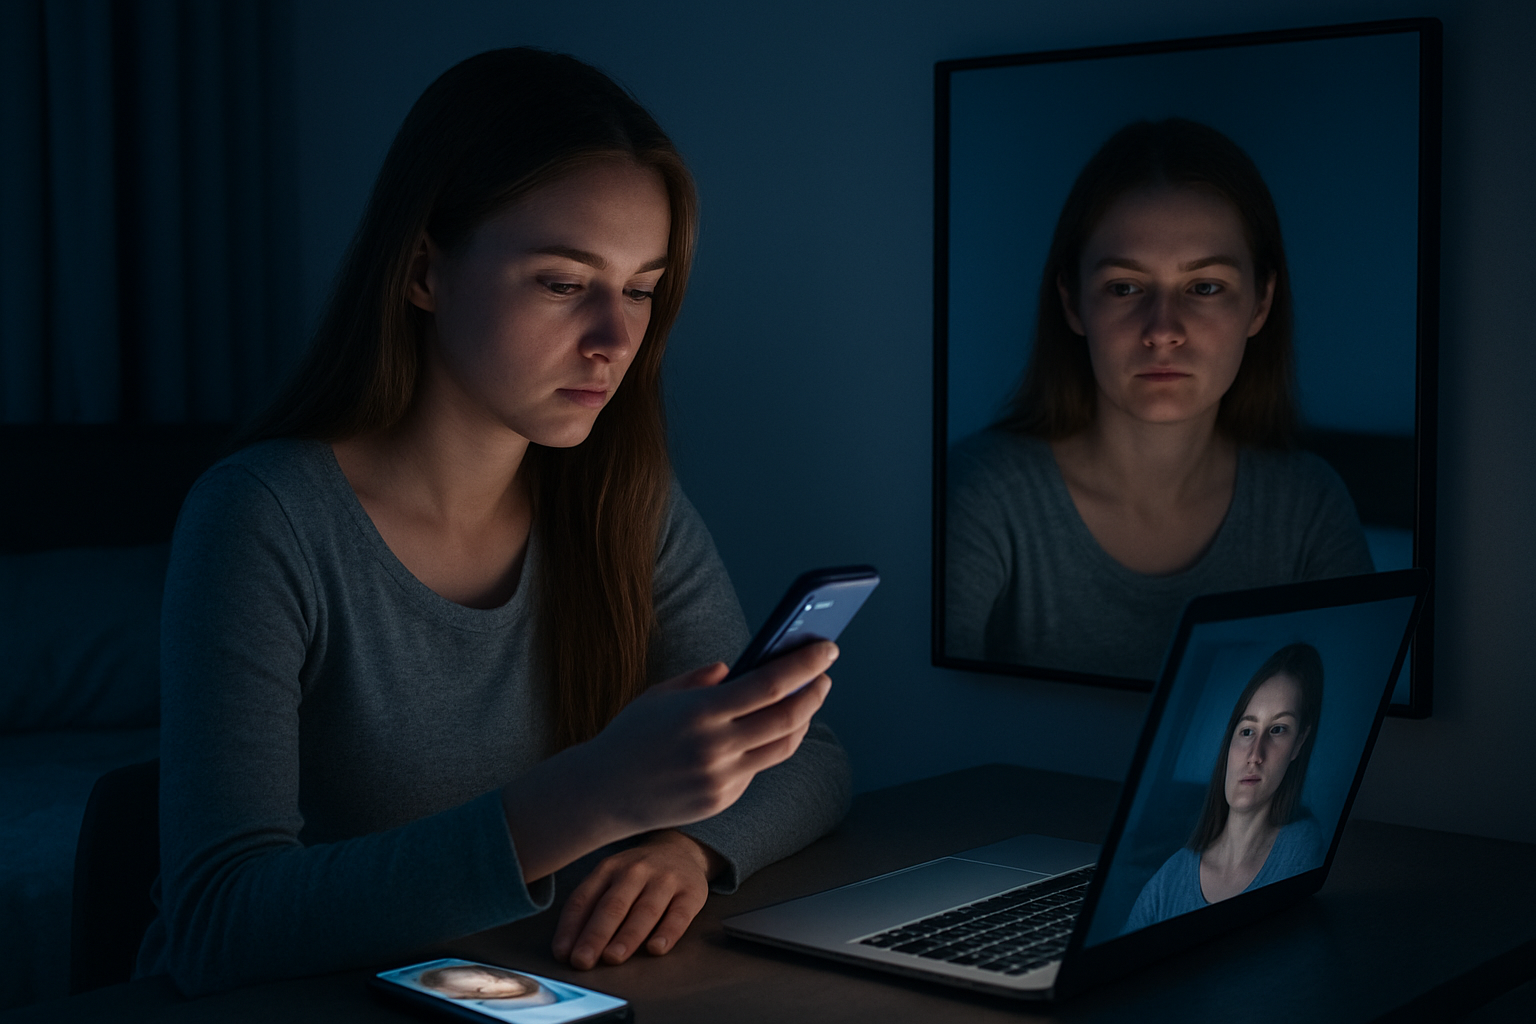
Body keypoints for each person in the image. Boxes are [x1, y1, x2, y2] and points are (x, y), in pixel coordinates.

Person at [135, 48, 851, 996]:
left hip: (521, 994)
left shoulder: (620, 501)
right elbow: (218, 921)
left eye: (641, 289)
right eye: (563, 284)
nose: (616, 339)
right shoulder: (263, 518)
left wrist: (688, 846)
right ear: (425, 271)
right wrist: (592, 796)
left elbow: (813, 762)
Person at [945, 119, 1373, 679]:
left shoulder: (1307, 508)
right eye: (1125, 288)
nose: (1163, 329)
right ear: (1073, 302)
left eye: (1205, 288)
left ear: (1261, 303)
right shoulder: (983, 498)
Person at [1124, 643, 1327, 932]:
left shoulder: (1302, 845)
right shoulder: (1169, 879)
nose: (1255, 754)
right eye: (1247, 731)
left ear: (1299, 743)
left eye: (1278, 729)